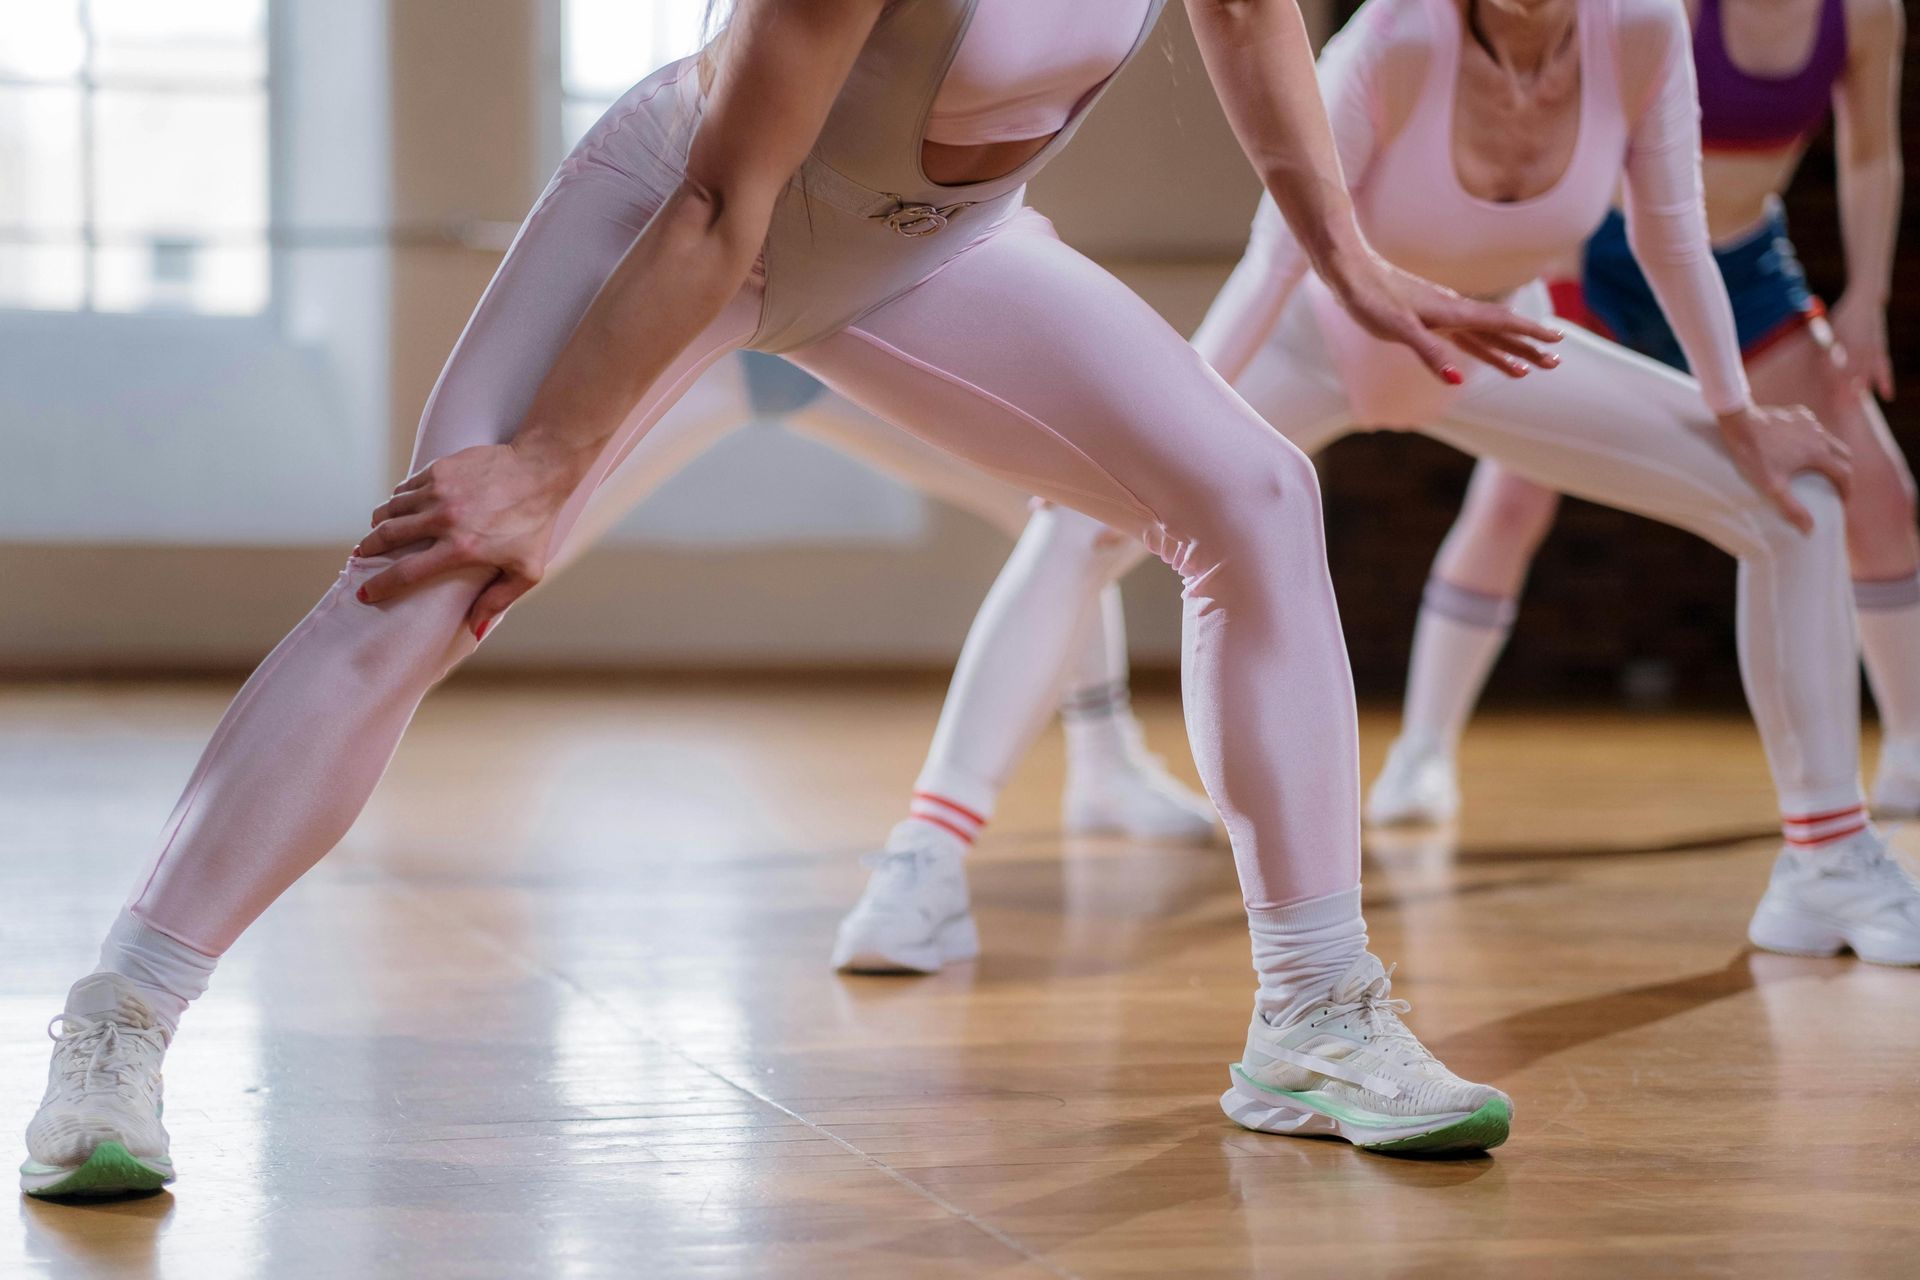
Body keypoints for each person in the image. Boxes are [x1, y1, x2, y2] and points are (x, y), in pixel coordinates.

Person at [21, 0, 1567, 1198]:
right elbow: (717, 212)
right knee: (433, 571)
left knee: (1256, 497)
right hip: (683, 217)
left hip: (938, 249)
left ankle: (1314, 1016)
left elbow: (1247, 22)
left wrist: (1348, 259)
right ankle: (118, 1027)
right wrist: (549, 463)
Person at [835, 0, 1916, 1013]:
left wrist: (1736, 414)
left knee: (1796, 500)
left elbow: (1670, 235)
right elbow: (1272, 260)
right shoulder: (1393, 41)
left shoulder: (1643, 28)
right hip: (1315, 333)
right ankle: (925, 857)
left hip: (1489, 342)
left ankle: (1825, 857)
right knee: (1077, 529)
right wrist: (1168, 440)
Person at [1369, 0, 1910, 827]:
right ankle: (1422, 753)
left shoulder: (1866, 14)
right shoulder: (1676, 8)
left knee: (1876, 492)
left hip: (1745, 270)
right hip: (1608, 256)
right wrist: (1541, 259)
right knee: (1512, 497)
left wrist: (1867, 295)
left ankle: (1908, 751)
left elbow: (1872, 156)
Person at [560, 351, 1221, 843]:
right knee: (519, 535)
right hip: (696, 339)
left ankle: (1106, 763)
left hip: (841, 340)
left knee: (1058, 508)